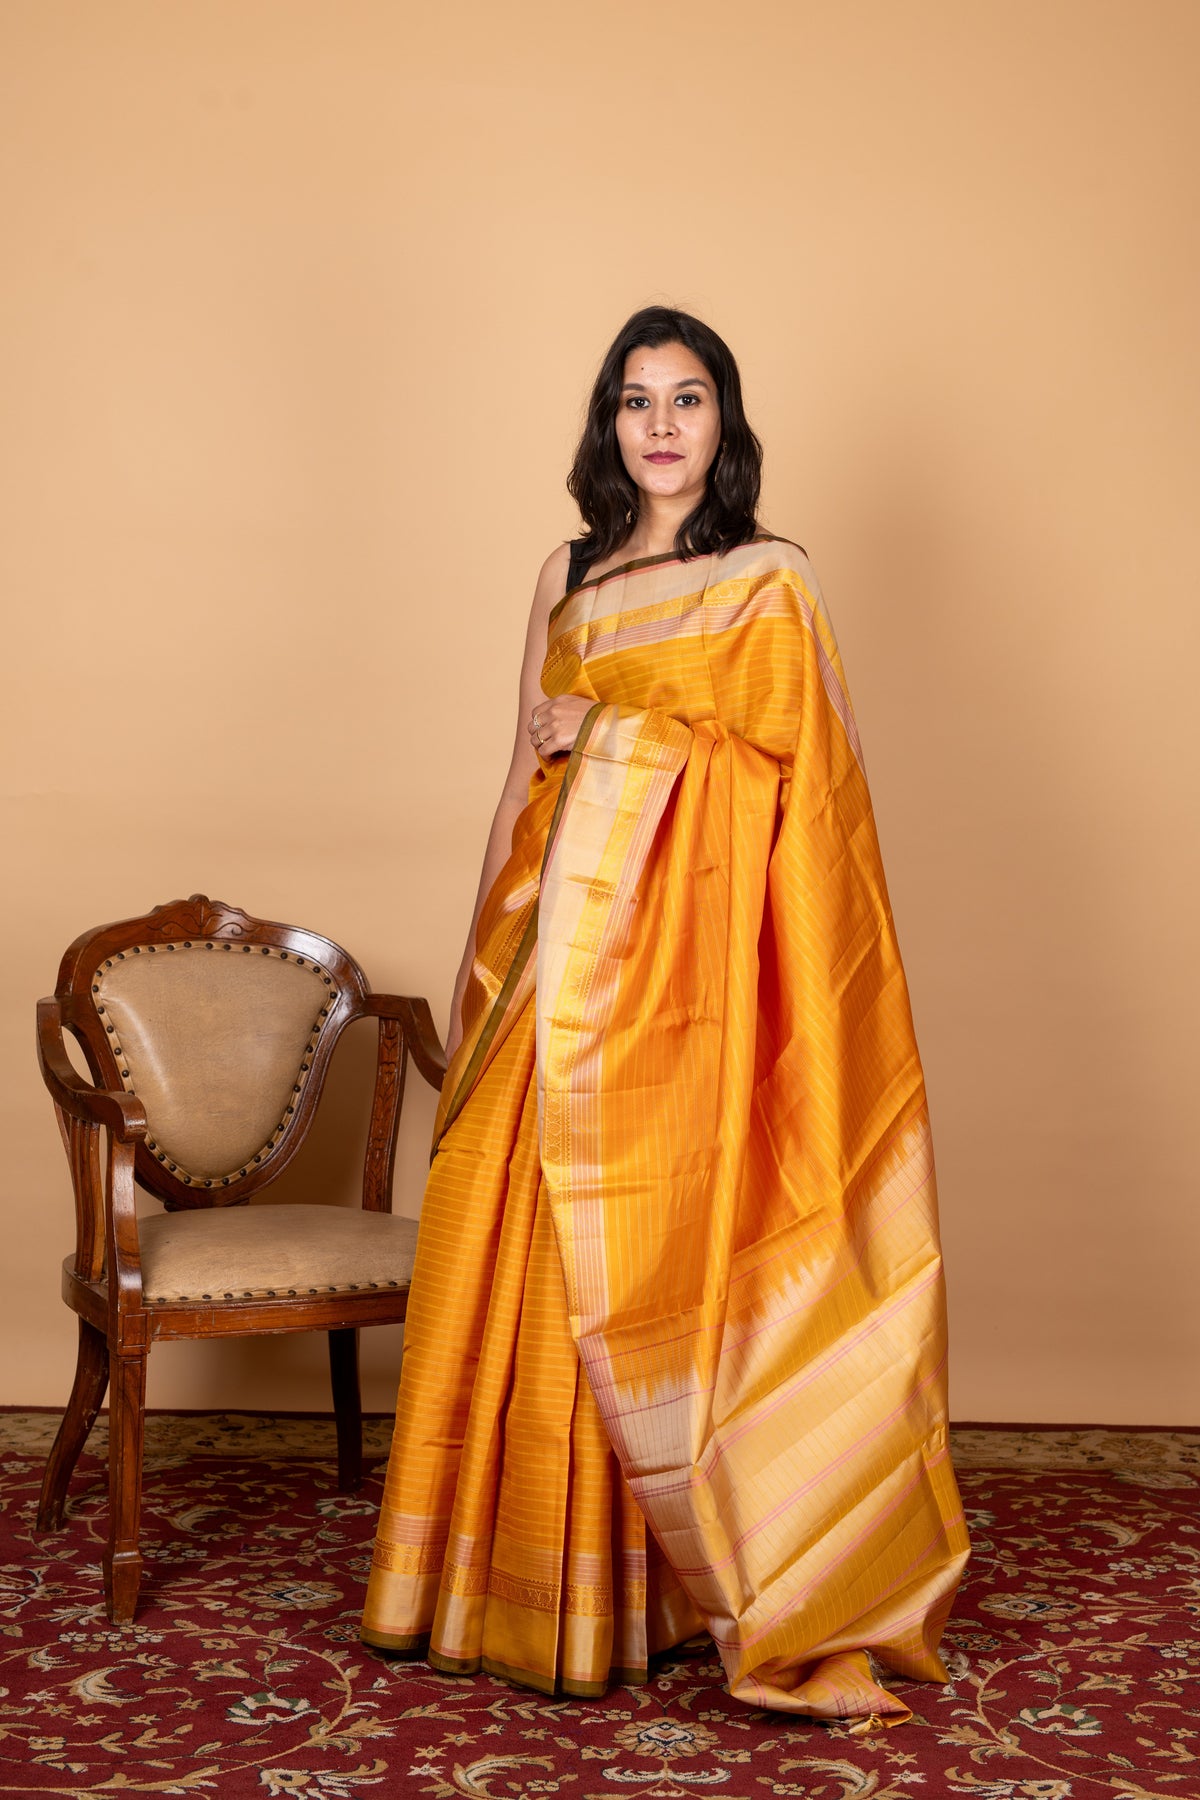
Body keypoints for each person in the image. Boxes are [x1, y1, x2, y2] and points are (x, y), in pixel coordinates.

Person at [361, 306, 969, 1726]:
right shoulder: (567, 573)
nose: (660, 426)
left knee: (651, 1260)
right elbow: (521, 780)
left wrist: (624, 735)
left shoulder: (768, 581)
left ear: (725, 422)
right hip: (553, 966)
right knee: (515, 1251)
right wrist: (483, 958)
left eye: (686, 399)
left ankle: (679, 1586)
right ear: (608, 426)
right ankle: (514, 1581)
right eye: (635, 401)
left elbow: (806, 792)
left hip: (684, 995)